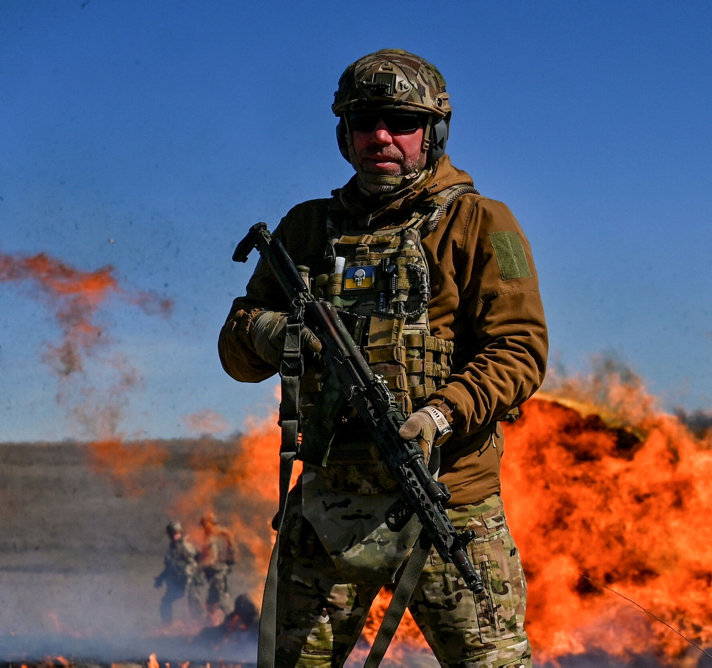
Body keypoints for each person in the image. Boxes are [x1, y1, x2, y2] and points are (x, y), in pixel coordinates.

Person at [219, 49, 547, 666]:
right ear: (344, 134)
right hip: (328, 506)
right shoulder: (305, 230)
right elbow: (236, 347)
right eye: (365, 122)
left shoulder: (483, 223)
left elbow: (521, 350)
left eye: (401, 121)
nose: (382, 137)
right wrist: (276, 334)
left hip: (446, 500)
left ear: (433, 132)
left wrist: (439, 417)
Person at [154, 520, 202, 624]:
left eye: (177, 533)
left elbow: (197, 560)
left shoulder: (186, 546)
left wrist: (191, 571)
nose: (175, 536)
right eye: (172, 534)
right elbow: (169, 567)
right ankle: (166, 624)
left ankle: (199, 625)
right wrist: (160, 579)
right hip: (178, 582)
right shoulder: (172, 548)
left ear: (180, 532)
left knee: (193, 603)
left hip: (190, 581)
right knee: (166, 601)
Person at [197, 511, 236, 620]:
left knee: (223, 601)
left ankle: (232, 622)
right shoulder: (224, 535)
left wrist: (197, 568)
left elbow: (211, 558)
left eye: (204, 525)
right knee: (211, 602)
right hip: (220, 572)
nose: (203, 529)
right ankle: (211, 623)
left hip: (217, 573)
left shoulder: (212, 538)